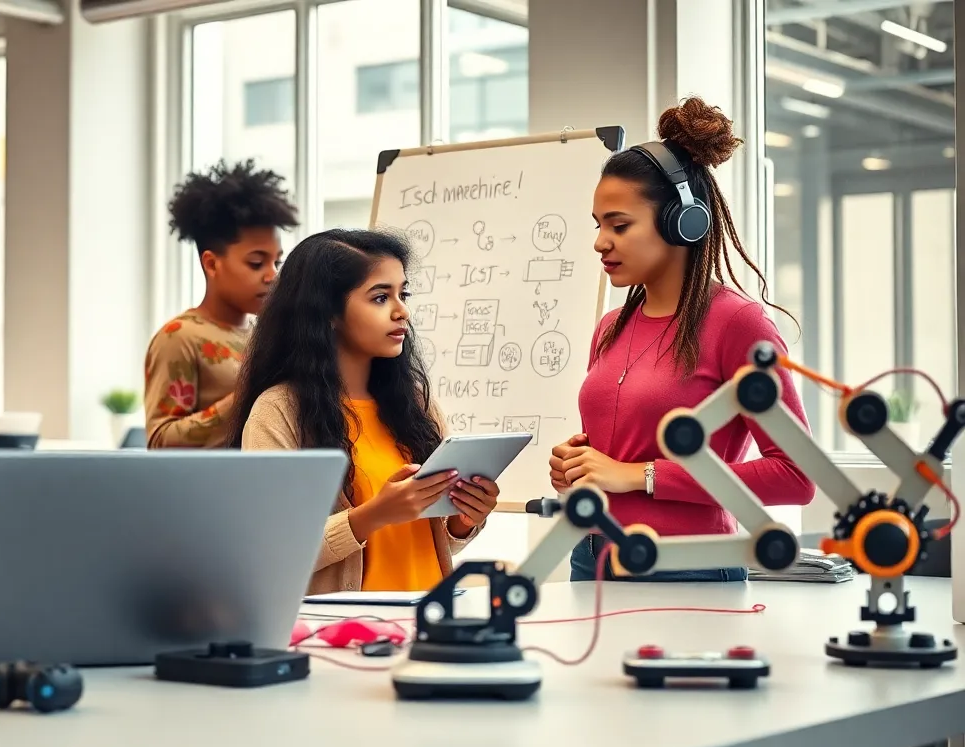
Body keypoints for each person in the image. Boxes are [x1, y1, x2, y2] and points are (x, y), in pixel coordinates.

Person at [549, 97, 816, 582]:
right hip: (592, 557)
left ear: (683, 221)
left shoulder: (738, 324)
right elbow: (616, 453)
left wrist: (641, 475)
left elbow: (797, 477)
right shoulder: (610, 328)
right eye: (598, 225)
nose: (600, 241)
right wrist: (578, 466)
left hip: (688, 565)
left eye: (620, 225)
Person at [231, 229, 498, 593]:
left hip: (429, 620)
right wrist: (372, 516)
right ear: (327, 312)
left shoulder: (417, 403)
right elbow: (272, 550)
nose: (402, 310)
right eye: (380, 297)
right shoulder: (279, 411)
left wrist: (464, 519)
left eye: (403, 294)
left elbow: (435, 541)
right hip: (348, 635)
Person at [144, 159, 299, 449]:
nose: (272, 275)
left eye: (277, 261)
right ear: (212, 264)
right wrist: (248, 390)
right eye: (256, 263)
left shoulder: (264, 335)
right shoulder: (179, 337)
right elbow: (160, 442)